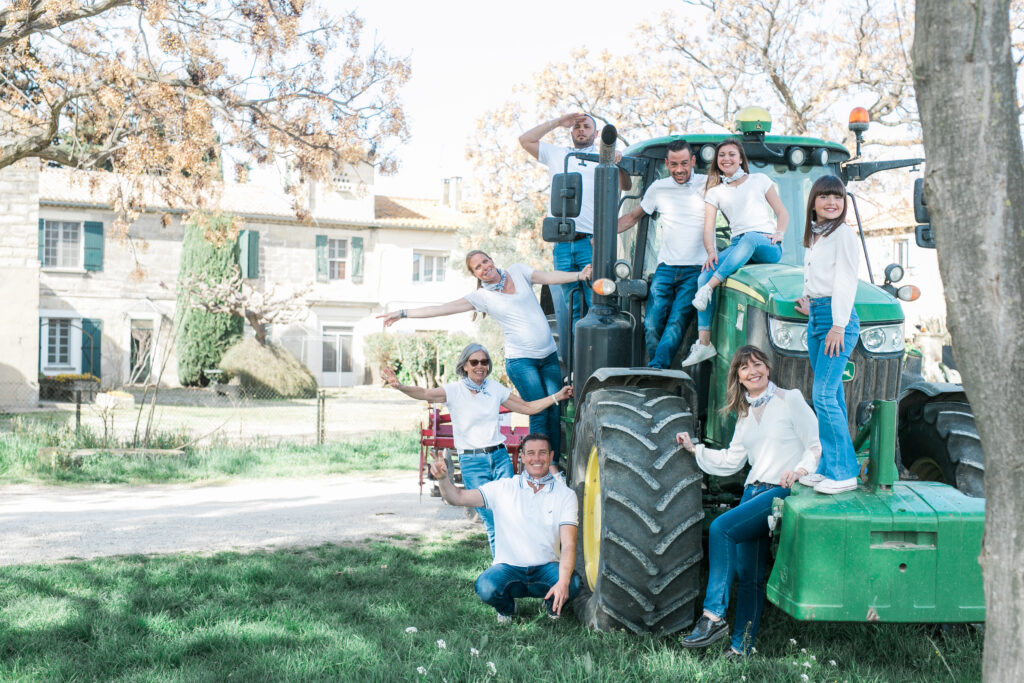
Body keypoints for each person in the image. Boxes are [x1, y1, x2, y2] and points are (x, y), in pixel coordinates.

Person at [676, 345, 821, 657]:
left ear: (767, 368)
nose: (752, 371)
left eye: (757, 364)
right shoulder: (744, 414)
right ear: (738, 377)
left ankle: (713, 616)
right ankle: (742, 647)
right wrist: (694, 449)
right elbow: (732, 460)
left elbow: (814, 444)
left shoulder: (790, 399)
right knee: (750, 575)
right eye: (745, 368)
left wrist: (799, 470)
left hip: (779, 490)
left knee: (721, 528)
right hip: (752, 492)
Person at [379, 251, 588, 461]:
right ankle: (542, 466)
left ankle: (555, 463)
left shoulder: (518, 271)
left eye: (485, 261)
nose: (484, 267)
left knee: (554, 407)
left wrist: (579, 275)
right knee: (539, 412)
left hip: (549, 356)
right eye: (477, 267)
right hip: (522, 362)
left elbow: (549, 277)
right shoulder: (482, 297)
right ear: (476, 275)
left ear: (492, 260)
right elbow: (441, 309)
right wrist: (403, 313)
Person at [381, 344, 572, 554]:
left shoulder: (495, 388)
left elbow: (527, 407)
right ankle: (501, 568)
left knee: (510, 515)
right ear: (464, 366)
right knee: (491, 521)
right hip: (473, 463)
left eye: (484, 362)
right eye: (474, 362)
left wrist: (557, 397)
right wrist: (400, 386)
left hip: (499, 458)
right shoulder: (454, 391)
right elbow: (425, 392)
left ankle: (519, 563)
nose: (480, 366)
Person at [429, 432, 582, 623]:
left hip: (545, 568)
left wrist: (563, 582)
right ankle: (508, 609)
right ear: (523, 458)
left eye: (542, 453)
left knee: (574, 584)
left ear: (551, 457)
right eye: (531, 453)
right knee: (485, 587)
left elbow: (568, 544)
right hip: (509, 569)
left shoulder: (566, 495)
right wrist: (443, 479)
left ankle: (551, 603)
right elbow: (457, 497)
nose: (536, 458)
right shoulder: (503, 488)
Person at [518, 113, 630, 361]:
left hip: (592, 242)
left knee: (596, 301)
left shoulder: (606, 157)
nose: (581, 130)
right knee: (570, 306)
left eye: (586, 126)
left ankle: (596, 359)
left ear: (596, 133)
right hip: (562, 242)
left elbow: (627, 187)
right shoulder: (559, 154)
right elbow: (525, 140)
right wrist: (557, 121)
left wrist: (618, 161)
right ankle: (572, 365)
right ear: (571, 131)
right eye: (577, 126)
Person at [681, 139, 788, 367]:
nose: (726, 159)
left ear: (741, 158)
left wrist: (779, 233)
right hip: (740, 243)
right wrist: (711, 252)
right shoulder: (715, 192)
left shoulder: (760, 180)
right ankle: (705, 343)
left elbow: (782, 212)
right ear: (717, 162)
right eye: (721, 155)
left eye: (731, 154)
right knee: (703, 275)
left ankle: (708, 290)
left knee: (748, 240)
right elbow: (708, 228)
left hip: (765, 242)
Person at [794, 175, 862, 495]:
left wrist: (837, 323)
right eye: (825, 197)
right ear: (814, 202)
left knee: (822, 395)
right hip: (818, 317)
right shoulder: (815, 235)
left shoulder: (844, 234)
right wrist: (814, 307)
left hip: (838, 323)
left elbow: (847, 280)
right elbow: (822, 278)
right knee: (830, 396)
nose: (832, 203)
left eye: (837, 197)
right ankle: (828, 467)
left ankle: (845, 472)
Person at [618, 140, 707, 368]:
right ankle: (659, 366)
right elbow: (633, 217)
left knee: (677, 320)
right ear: (667, 164)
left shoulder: (708, 185)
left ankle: (657, 367)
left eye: (685, 163)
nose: (680, 169)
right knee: (651, 323)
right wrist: (602, 234)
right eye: (674, 164)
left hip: (696, 268)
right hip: (666, 267)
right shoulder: (658, 188)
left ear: (693, 161)